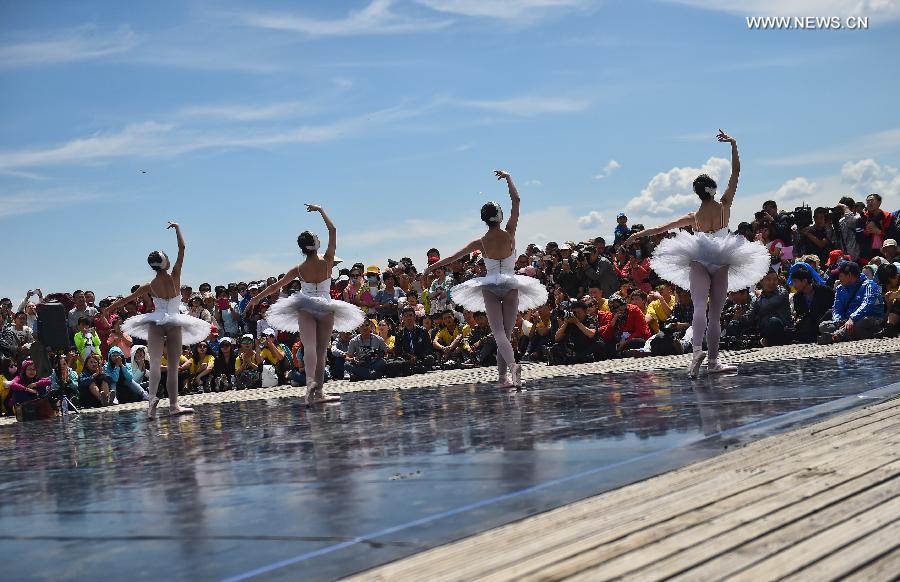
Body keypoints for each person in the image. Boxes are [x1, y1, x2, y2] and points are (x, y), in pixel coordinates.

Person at [625, 130, 769, 378]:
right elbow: (736, 173)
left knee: (699, 307)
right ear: (712, 189)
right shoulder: (724, 206)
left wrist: (636, 236)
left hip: (700, 259)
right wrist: (733, 144)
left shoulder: (694, 217)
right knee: (715, 314)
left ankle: (696, 353)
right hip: (723, 260)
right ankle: (713, 361)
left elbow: (660, 229)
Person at [424, 171, 546, 389]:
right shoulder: (509, 232)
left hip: (490, 286)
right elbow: (516, 201)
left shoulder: (480, 241)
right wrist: (508, 178)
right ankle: (509, 371)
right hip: (510, 284)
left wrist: (430, 267)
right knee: (505, 334)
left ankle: (506, 374)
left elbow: (453, 257)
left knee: (499, 333)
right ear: (499, 216)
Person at [246, 204, 364, 405]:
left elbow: (276, 286)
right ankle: (319, 390)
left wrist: (256, 299)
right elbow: (333, 230)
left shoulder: (299, 269)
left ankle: (311, 387)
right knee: (321, 350)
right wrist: (320, 210)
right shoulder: (327, 260)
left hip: (305, 306)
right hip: (326, 306)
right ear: (315, 244)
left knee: (308, 347)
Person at [103, 222, 211, 418]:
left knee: (153, 362)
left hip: (155, 321)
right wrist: (178, 228)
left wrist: (108, 309)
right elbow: (182, 248)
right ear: (165, 263)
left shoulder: (149, 285)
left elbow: (126, 300)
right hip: (174, 321)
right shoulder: (175, 275)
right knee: (172, 366)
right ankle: (174, 405)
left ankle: (151, 401)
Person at [819, 261, 886, 343]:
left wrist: (852, 318)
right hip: (848, 320)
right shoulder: (840, 288)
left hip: (868, 318)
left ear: (849, 275)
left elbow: (867, 304)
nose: (839, 278)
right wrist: (839, 320)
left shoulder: (869, 285)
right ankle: (843, 334)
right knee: (824, 326)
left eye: (841, 275)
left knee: (860, 325)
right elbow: (837, 308)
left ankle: (836, 336)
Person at [788, 263, 835, 343]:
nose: (794, 285)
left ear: (805, 281)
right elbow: (801, 314)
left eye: (795, 282)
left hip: (824, 324)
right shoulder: (797, 297)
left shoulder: (825, 291)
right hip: (808, 328)